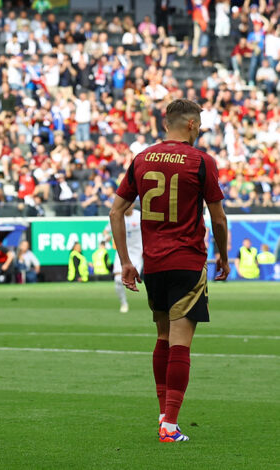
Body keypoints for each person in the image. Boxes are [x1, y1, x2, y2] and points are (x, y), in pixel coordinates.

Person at [110, 98, 229, 443]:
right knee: (180, 344)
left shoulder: (141, 159)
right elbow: (218, 217)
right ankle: (170, 426)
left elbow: (116, 213)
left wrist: (126, 263)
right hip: (188, 261)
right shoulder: (201, 161)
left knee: (162, 337)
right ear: (191, 124)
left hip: (154, 264)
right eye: (201, 123)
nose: (202, 128)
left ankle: (164, 416)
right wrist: (222, 254)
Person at [104, 203, 143, 312]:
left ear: (133, 204)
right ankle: (124, 303)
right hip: (122, 252)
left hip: (137, 253)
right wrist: (106, 236)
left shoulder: (139, 216)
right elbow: (106, 230)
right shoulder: (118, 217)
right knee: (117, 280)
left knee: (135, 278)